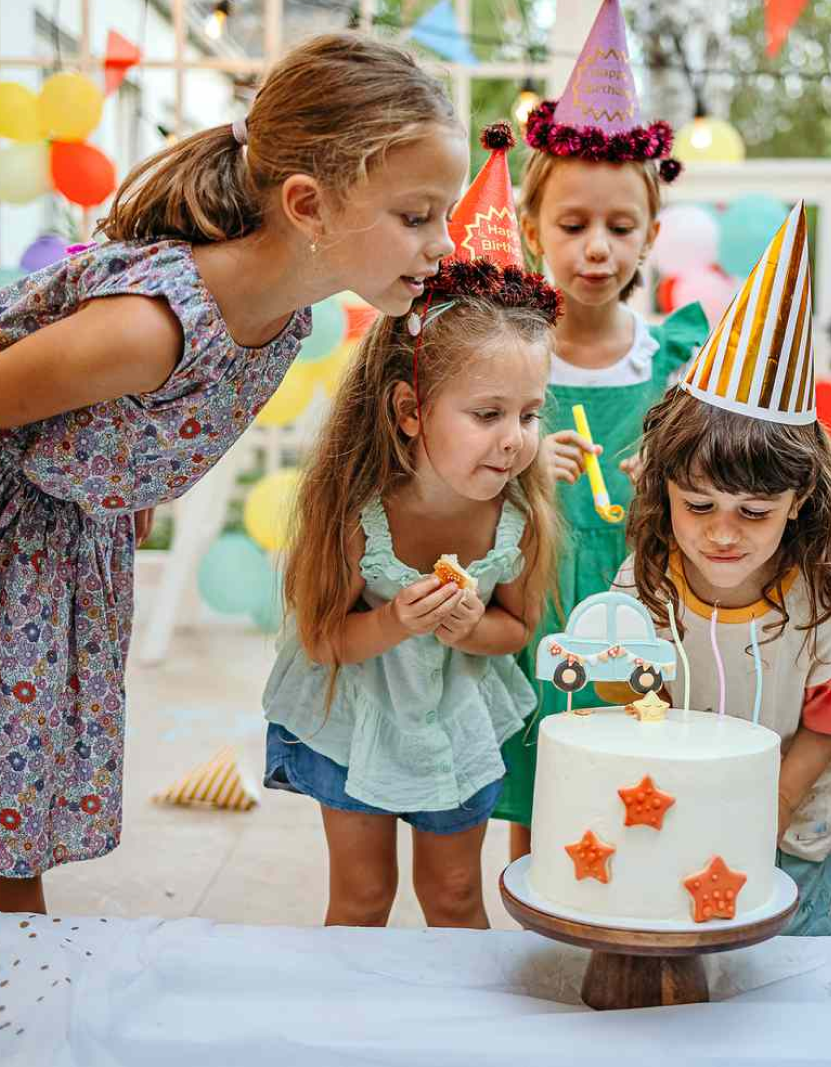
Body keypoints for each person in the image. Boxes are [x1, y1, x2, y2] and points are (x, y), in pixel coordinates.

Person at [0, 33, 466, 913]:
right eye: (416, 215)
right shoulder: (153, 325)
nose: (441, 243)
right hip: (13, 550)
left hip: (61, 545)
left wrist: (109, 482)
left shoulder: (283, 320)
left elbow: (89, 426)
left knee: (15, 816)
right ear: (307, 204)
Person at [261, 126, 561, 929]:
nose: (516, 438)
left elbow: (517, 629)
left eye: (530, 414)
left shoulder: (521, 517)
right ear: (408, 410)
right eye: (488, 413)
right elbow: (323, 639)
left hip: (453, 720)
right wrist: (394, 619)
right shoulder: (357, 513)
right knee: (362, 896)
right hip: (352, 715)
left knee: (456, 895)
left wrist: (470, 629)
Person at [602, 203, 831, 936]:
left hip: (791, 827)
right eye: (698, 504)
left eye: (754, 512)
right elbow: (622, 678)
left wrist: (778, 803)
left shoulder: (819, 597)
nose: (723, 534)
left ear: (799, 501)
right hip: (673, 804)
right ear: (660, 485)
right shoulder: (644, 585)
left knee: (785, 946)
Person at [493, 0, 708, 859]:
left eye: (620, 228)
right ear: (531, 227)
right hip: (528, 606)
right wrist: (522, 459)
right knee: (533, 803)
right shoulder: (506, 358)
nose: (596, 250)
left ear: (652, 235)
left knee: (634, 806)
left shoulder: (675, 359)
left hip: (639, 610)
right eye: (573, 225)